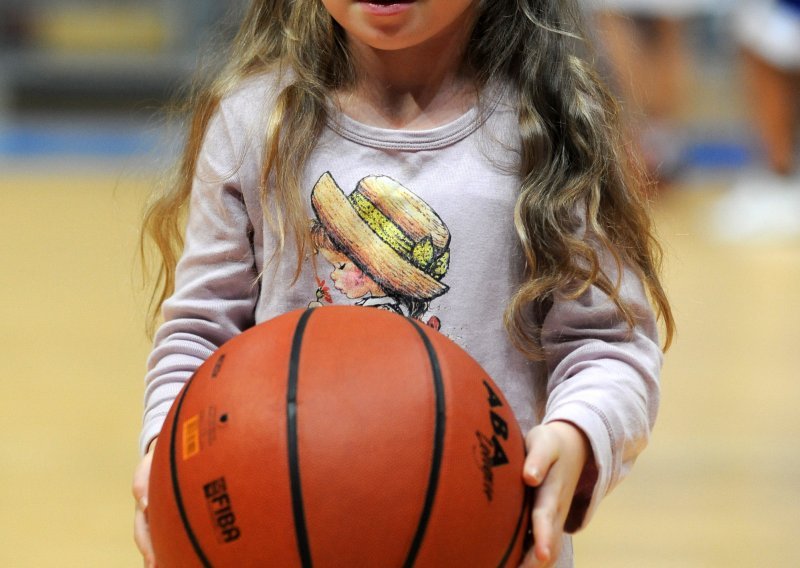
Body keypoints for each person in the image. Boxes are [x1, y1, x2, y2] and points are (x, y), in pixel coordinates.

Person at [132, 1, 675, 567]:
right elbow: (199, 333)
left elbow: (606, 346)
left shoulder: (552, 129)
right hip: (277, 537)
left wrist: (577, 433)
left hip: (481, 544)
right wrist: (168, 454)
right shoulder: (253, 122)